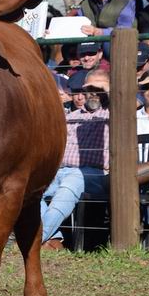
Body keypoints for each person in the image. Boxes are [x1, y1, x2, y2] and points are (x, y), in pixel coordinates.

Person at [41, 70, 111, 250]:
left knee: (72, 181)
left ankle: (36, 239)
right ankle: (53, 238)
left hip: (95, 174)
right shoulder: (70, 117)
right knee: (30, 189)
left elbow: (126, 106)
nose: (94, 93)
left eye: (99, 88)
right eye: (90, 88)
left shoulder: (113, 115)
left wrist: (108, 92)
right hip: (60, 170)